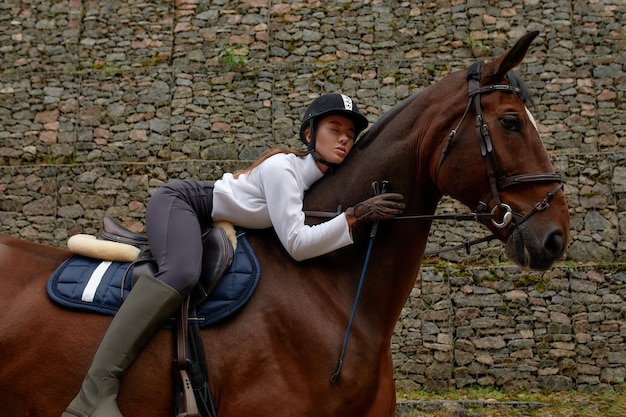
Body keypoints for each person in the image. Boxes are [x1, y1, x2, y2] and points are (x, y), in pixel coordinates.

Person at [61, 93, 406, 417]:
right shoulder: (284, 170)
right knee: (181, 273)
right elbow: (298, 244)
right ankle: (93, 394)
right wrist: (353, 217)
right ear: (309, 134)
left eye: (349, 133)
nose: (344, 138)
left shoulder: (312, 180)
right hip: (180, 202)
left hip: (203, 213)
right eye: (334, 129)